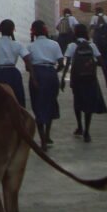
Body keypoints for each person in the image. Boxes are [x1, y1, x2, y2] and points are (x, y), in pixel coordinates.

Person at [60, 23, 107, 142]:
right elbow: (101, 62)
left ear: (75, 33)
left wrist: (62, 79)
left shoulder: (72, 46)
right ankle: (87, 130)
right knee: (88, 104)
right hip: (90, 78)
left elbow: (67, 64)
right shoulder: (92, 45)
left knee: (78, 102)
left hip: (77, 79)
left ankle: (79, 127)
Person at [26, 19, 63, 149]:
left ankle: (42, 140)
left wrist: (35, 76)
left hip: (36, 74)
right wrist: (53, 72)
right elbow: (61, 63)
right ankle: (47, 136)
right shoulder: (54, 44)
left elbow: (27, 67)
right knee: (51, 103)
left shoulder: (30, 46)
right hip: (51, 74)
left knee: (38, 105)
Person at [0, 19, 30, 108]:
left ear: (0, 30)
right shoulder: (17, 45)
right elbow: (27, 58)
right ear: (12, 31)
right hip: (13, 73)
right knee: (17, 98)